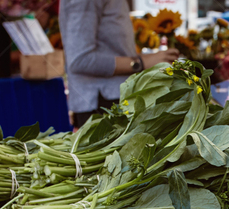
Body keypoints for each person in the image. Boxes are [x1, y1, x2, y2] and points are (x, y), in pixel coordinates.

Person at [59, 0, 179, 128]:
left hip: (114, 100)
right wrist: (140, 63)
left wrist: (150, 59)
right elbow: (80, 60)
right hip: (101, 104)